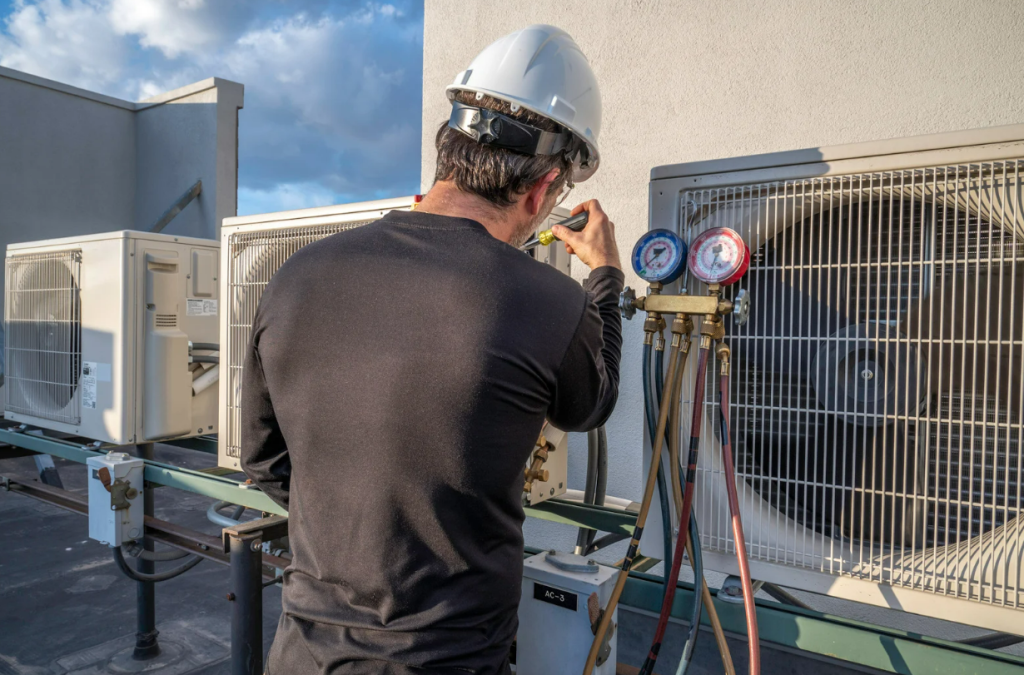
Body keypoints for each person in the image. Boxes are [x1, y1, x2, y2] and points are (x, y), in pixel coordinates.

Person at [241, 24, 622, 675]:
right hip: (448, 660)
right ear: (542, 188)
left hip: (302, 653)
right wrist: (606, 278)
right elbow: (593, 401)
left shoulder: (296, 277)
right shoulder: (548, 302)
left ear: (448, 149)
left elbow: (264, 460)